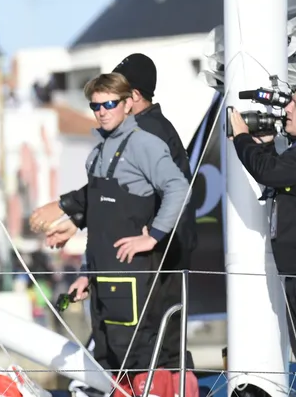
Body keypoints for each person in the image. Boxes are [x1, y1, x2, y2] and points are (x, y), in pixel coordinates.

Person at [66, 73, 195, 396]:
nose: (102, 111)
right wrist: (86, 273)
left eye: (110, 104)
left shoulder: (144, 144)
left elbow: (179, 188)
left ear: (127, 104)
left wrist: (153, 235)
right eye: (96, 106)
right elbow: (97, 223)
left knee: (141, 357)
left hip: (135, 278)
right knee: (110, 356)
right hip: (104, 278)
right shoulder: (96, 155)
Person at [29, 53, 197, 269]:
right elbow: (118, 193)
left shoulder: (147, 133)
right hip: (151, 252)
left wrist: (64, 206)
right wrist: (77, 220)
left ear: (132, 96)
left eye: (113, 96)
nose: (102, 108)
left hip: (161, 256)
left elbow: (176, 189)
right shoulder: (139, 130)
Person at [229, 82, 296, 396]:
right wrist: (265, 145)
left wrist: (240, 136)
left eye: (295, 103)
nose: (287, 109)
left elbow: (270, 173)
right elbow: (280, 171)